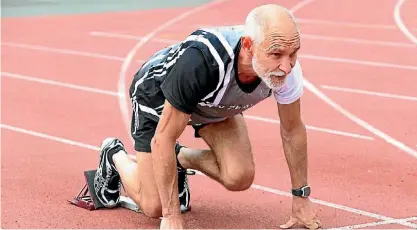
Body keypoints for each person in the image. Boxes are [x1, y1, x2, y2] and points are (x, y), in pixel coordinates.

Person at [93, 3, 321, 229]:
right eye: (276, 54)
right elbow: (163, 137)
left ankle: (178, 158)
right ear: (249, 45)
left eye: (294, 53)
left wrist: (301, 197)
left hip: (215, 104)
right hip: (158, 96)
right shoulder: (202, 61)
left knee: (239, 176)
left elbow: (292, 130)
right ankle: (114, 155)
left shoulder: (286, 68)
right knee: (154, 206)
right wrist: (171, 215)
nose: (287, 66)